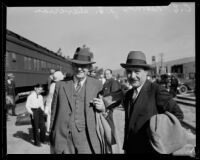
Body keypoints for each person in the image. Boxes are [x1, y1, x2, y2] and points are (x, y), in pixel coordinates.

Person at [49, 46, 114, 154]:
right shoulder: (60, 86)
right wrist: (52, 135)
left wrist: (103, 108)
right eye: (76, 65)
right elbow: (54, 113)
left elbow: (105, 111)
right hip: (64, 141)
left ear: (89, 67)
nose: (79, 69)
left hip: (88, 140)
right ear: (72, 66)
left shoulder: (97, 85)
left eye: (83, 66)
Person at [120, 51, 184, 154]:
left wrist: (160, 139)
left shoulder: (157, 91)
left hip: (151, 151)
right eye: (129, 71)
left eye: (137, 71)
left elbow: (178, 115)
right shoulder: (128, 94)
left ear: (146, 72)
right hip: (132, 149)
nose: (132, 76)